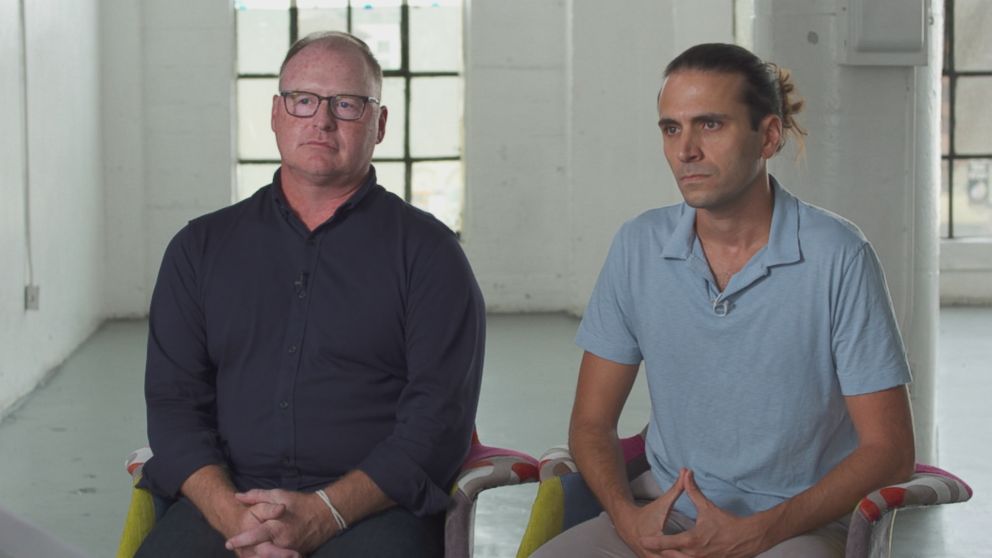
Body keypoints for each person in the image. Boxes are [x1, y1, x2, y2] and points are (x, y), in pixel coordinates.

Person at [534, 43, 915, 558]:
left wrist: (760, 531)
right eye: (672, 128)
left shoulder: (839, 256)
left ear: (769, 136)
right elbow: (591, 422)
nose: (685, 150)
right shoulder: (638, 245)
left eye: (709, 125)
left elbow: (889, 450)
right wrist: (628, 521)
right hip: (661, 518)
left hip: (791, 530)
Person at [137, 31, 485, 558]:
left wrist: (326, 513)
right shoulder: (199, 248)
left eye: (347, 104)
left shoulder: (430, 255)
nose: (322, 120)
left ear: (380, 123)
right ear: (277, 113)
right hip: (231, 501)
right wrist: (234, 515)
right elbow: (173, 405)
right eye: (304, 100)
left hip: (369, 508)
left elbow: (438, 424)